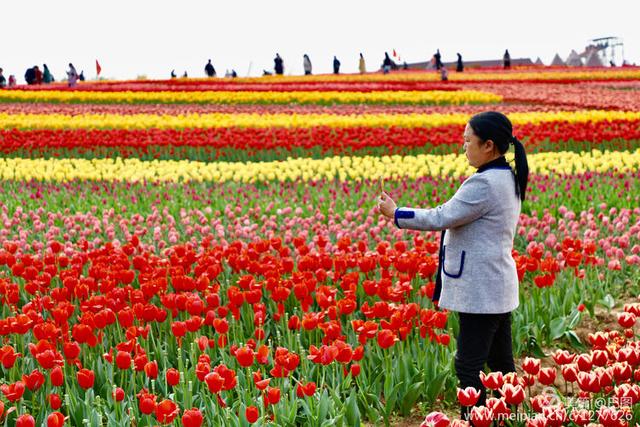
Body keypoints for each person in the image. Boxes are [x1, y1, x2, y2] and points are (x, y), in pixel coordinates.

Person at [377, 111, 529, 420]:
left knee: (468, 365)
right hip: (495, 284)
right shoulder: (504, 176)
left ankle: (479, 420)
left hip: (481, 290)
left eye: (467, 141)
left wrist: (397, 213)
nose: (464, 148)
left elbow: (442, 216)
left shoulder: (485, 183)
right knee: (501, 364)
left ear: (488, 145)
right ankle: (508, 418)